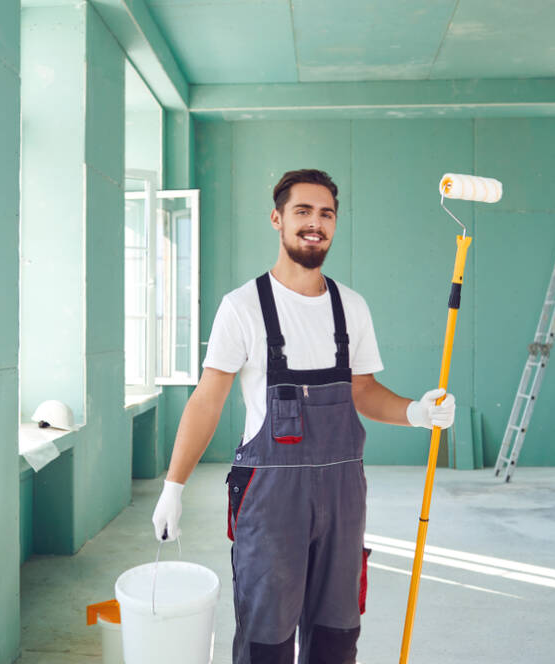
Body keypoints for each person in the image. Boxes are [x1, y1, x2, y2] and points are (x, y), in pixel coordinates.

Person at [151, 169, 455, 664]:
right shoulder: (242, 308)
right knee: (266, 639)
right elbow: (208, 399)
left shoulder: (350, 307)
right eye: (303, 212)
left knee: (336, 637)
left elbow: (364, 390)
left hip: (343, 500)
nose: (316, 223)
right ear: (277, 219)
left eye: (326, 214)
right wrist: (174, 485)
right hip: (270, 504)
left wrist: (416, 412)